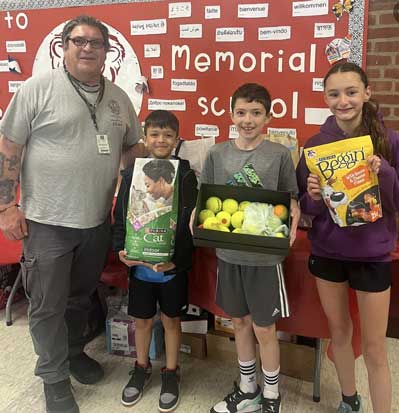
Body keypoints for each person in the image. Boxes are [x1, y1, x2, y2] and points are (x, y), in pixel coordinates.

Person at [0, 15, 142, 413]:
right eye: (78, 40)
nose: (87, 47)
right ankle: (54, 379)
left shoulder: (118, 98)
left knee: (80, 298)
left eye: (96, 42)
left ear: (106, 51)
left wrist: (137, 189)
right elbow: (8, 150)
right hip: (47, 222)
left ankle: (74, 352)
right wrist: (6, 206)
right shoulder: (35, 89)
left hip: (97, 221)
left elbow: (131, 148)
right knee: (47, 305)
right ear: (63, 46)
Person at [296, 61, 399, 413]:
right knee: (339, 333)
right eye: (334, 93)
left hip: (373, 255)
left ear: (367, 93)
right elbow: (306, 208)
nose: (344, 101)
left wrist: (383, 172)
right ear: (325, 98)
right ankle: (348, 400)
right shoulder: (315, 146)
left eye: (352, 92)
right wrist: (310, 197)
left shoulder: (389, 142)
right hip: (328, 253)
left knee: (373, 347)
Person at [194, 83, 300, 413]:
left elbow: (291, 200)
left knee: (264, 327)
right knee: (238, 323)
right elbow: (205, 196)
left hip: (265, 257)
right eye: (241, 112)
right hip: (229, 255)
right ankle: (247, 388)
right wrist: (196, 217)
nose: (248, 120)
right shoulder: (217, 154)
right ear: (231, 115)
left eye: (256, 113)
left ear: (268, 118)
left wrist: (293, 219)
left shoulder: (279, 155)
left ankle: (271, 396)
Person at [113, 110, 198, 413]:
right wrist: (121, 249)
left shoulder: (186, 176)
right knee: (142, 320)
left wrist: (180, 262)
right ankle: (140, 366)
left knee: (172, 320)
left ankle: (171, 372)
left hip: (172, 269)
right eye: (154, 134)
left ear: (177, 139)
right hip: (140, 269)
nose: (161, 140)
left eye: (168, 135)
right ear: (145, 137)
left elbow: (192, 224)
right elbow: (121, 216)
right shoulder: (132, 175)